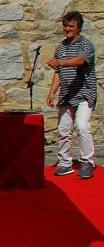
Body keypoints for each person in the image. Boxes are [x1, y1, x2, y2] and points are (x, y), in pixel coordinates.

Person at [46, 11, 97, 179]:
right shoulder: (60, 47)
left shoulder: (86, 45)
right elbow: (58, 72)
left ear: (78, 28)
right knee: (63, 129)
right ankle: (64, 163)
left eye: (71, 26)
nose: (67, 29)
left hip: (84, 93)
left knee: (82, 126)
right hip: (66, 94)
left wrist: (60, 62)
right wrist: (52, 92)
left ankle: (87, 162)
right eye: (65, 26)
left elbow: (80, 61)